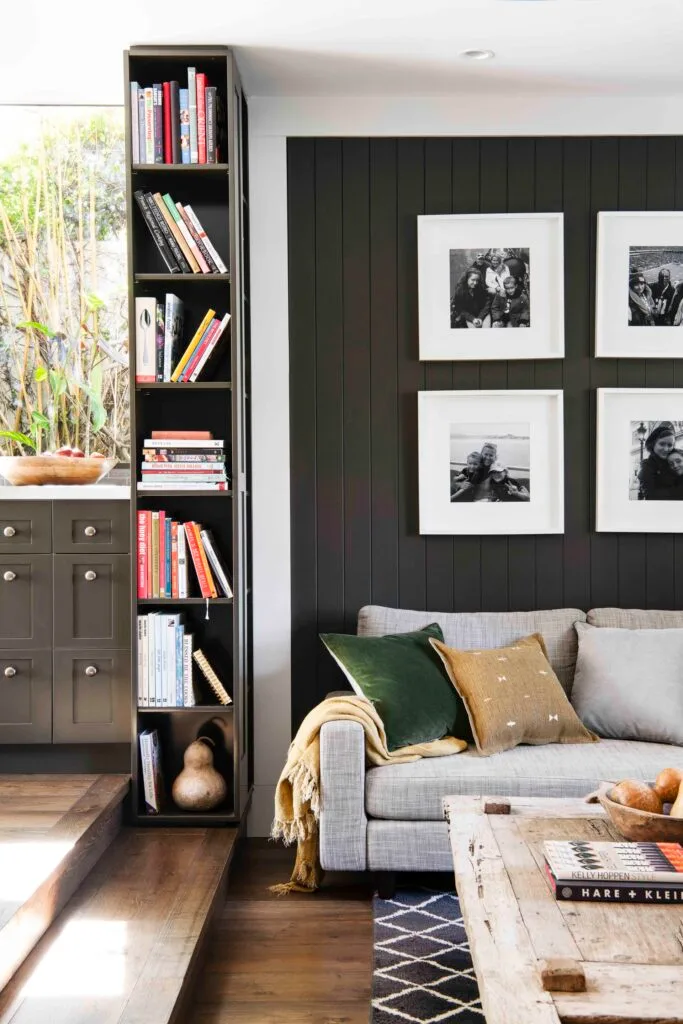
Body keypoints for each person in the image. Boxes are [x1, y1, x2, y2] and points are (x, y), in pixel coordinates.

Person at [638, 421, 680, 499]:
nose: (666, 449)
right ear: (653, 444)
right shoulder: (646, 467)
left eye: (670, 445)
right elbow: (652, 496)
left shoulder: (676, 461)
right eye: (662, 444)